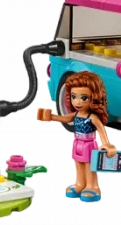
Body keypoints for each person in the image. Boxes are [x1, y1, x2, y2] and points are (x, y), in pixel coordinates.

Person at [36, 71, 116, 203]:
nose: (77, 102)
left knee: (90, 166)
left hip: (89, 143)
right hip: (77, 143)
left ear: (94, 98)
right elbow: (63, 118)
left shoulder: (93, 117)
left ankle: (93, 187)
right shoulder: (76, 115)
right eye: (74, 96)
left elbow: (101, 131)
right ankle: (80, 184)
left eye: (83, 98)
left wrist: (105, 144)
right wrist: (50, 117)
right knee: (78, 164)